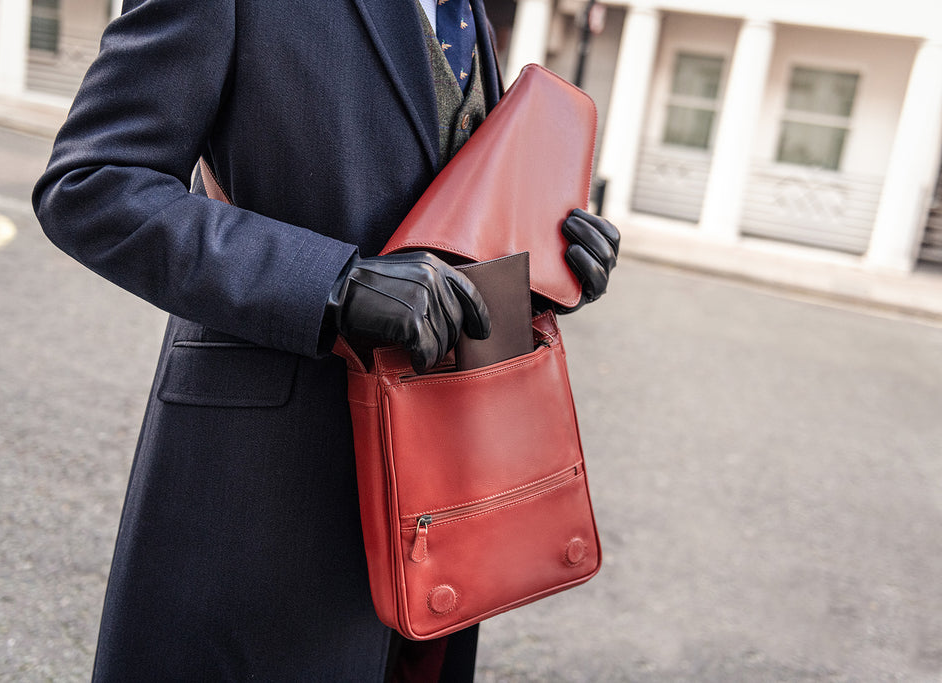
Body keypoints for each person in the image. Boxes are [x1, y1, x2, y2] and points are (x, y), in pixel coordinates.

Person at [32, 0, 619, 680]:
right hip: (265, 497)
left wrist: (548, 267)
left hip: (440, 508)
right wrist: (331, 285)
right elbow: (92, 185)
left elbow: (447, 220)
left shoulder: (470, 15)